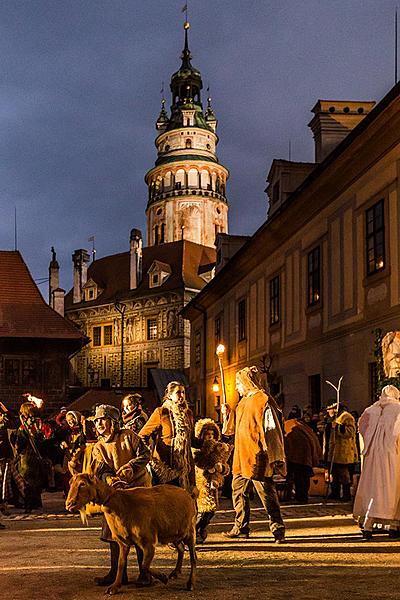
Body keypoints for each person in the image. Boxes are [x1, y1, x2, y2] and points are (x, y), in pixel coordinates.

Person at [222, 366, 286, 543]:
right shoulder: (241, 404)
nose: (236, 387)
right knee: (238, 491)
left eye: (237, 383)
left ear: (246, 382)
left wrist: (276, 456)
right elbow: (230, 431)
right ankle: (241, 526)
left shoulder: (262, 400)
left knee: (266, 494)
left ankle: (277, 528)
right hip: (241, 457)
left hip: (258, 456)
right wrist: (228, 414)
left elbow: (271, 429)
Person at [91, 404, 151, 587]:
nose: (100, 423)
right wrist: (109, 478)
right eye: (97, 420)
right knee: (114, 532)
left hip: (138, 490)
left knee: (140, 533)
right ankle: (118, 572)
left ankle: (144, 573)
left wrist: (131, 468)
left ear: (113, 422)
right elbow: (102, 470)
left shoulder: (129, 437)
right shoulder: (99, 447)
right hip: (116, 494)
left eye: (103, 419)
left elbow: (145, 454)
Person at [353, 385, 400, 540]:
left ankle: (368, 525)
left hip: (372, 458)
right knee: (392, 489)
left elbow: (361, 432)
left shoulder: (369, 411)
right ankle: (393, 526)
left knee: (373, 489)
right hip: (392, 456)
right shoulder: (398, 409)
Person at [139, 381, 197, 491]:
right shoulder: (162, 412)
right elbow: (142, 435)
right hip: (165, 467)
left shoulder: (188, 414)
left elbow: (191, 440)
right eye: (178, 392)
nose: (182, 396)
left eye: (183, 392)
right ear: (169, 395)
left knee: (185, 501)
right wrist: (150, 456)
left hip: (185, 467)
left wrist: (210, 443)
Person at [193, 418, 231, 544]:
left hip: (213, 485)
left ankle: (199, 531)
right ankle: (192, 532)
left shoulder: (218, 448)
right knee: (203, 511)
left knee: (211, 511)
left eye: (212, 434)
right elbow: (199, 462)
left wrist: (222, 468)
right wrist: (211, 466)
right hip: (201, 484)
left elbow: (225, 466)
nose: (210, 437)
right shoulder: (197, 449)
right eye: (207, 434)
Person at [284, 417, 322, 503]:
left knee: (300, 477)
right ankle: (302, 496)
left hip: (298, 455)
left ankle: (301, 497)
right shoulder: (298, 425)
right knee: (303, 476)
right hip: (305, 454)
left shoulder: (289, 426)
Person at [326, 401, 358, 501]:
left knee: (344, 474)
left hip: (344, 451)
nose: (328, 412)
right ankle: (335, 492)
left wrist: (339, 427)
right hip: (335, 451)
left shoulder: (346, 417)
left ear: (335, 409)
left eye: (329, 409)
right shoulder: (334, 418)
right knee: (335, 474)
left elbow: (350, 432)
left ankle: (346, 494)